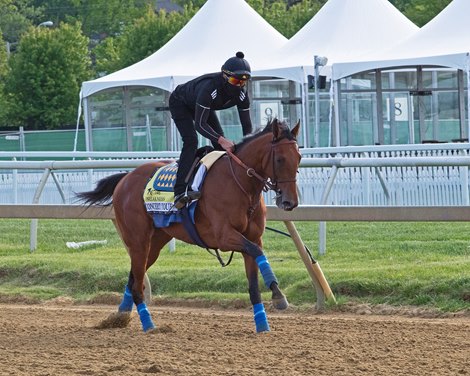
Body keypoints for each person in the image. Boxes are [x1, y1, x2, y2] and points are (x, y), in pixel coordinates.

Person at [169, 51, 253, 209]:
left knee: (220, 146)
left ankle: (218, 188)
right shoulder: (210, 88)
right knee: (191, 141)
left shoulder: (242, 94)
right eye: (235, 81)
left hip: (202, 105)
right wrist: (223, 140)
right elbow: (200, 125)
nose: (239, 86)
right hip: (180, 102)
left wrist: (246, 148)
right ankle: (179, 192)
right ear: (225, 76)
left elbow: (247, 127)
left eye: (244, 82)